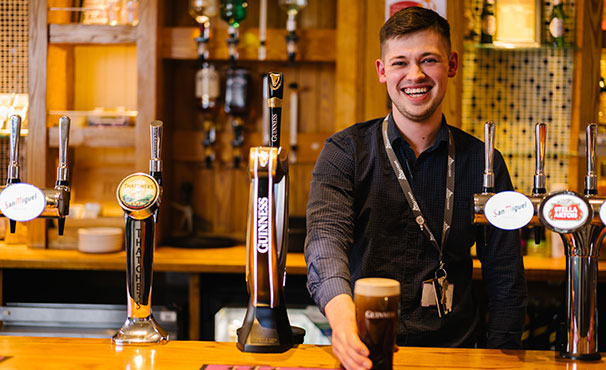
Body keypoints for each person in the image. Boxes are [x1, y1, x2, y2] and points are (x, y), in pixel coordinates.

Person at [304, 7, 527, 370]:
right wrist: (343, 321)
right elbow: (325, 241)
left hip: (455, 354)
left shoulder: (485, 163)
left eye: (429, 60)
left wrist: (502, 358)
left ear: (452, 64)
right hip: (365, 352)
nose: (415, 75)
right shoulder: (345, 152)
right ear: (382, 71)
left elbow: (505, 276)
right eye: (400, 63)